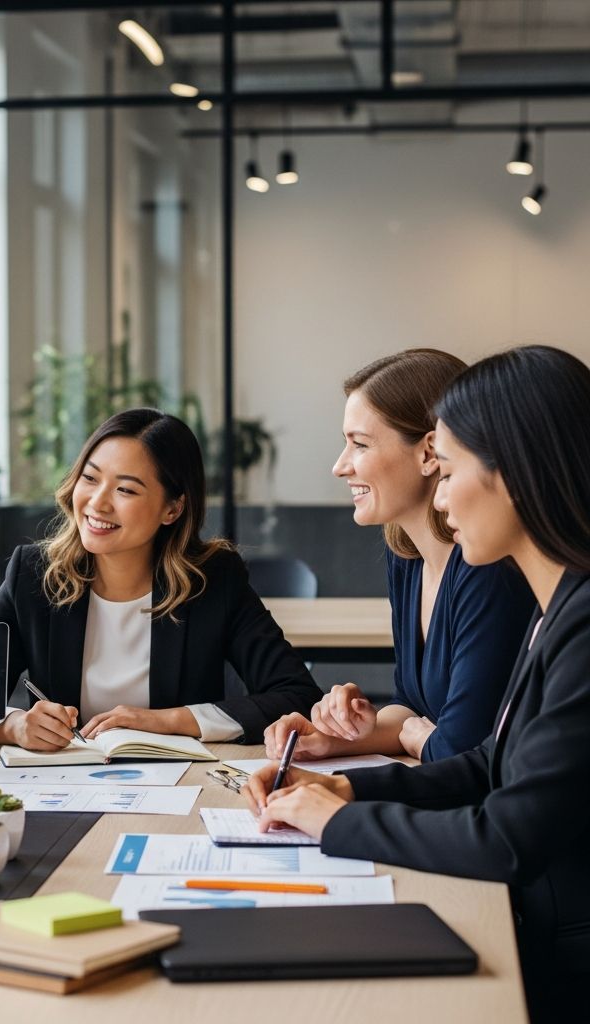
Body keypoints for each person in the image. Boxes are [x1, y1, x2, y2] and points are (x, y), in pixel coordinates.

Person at [244, 345, 590, 1020]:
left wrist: (340, 820)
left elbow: (506, 837)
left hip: (559, 948)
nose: (439, 494)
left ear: (514, 473)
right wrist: (342, 785)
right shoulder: (563, 608)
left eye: (450, 469)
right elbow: (491, 762)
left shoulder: (577, 620)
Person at [0, 408, 322, 750]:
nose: (97, 502)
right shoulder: (33, 575)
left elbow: (296, 695)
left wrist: (166, 721)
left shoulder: (214, 580)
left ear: (173, 508)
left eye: (126, 489)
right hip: (59, 787)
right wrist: (13, 726)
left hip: (183, 788)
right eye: (90, 479)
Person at [265, 350, 534, 762]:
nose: (340, 466)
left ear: (429, 453)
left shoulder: (487, 569)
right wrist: (334, 736)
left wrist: (421, 739)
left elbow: (459, 749)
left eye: (360, 444)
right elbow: (411, 704)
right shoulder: (406, 555)